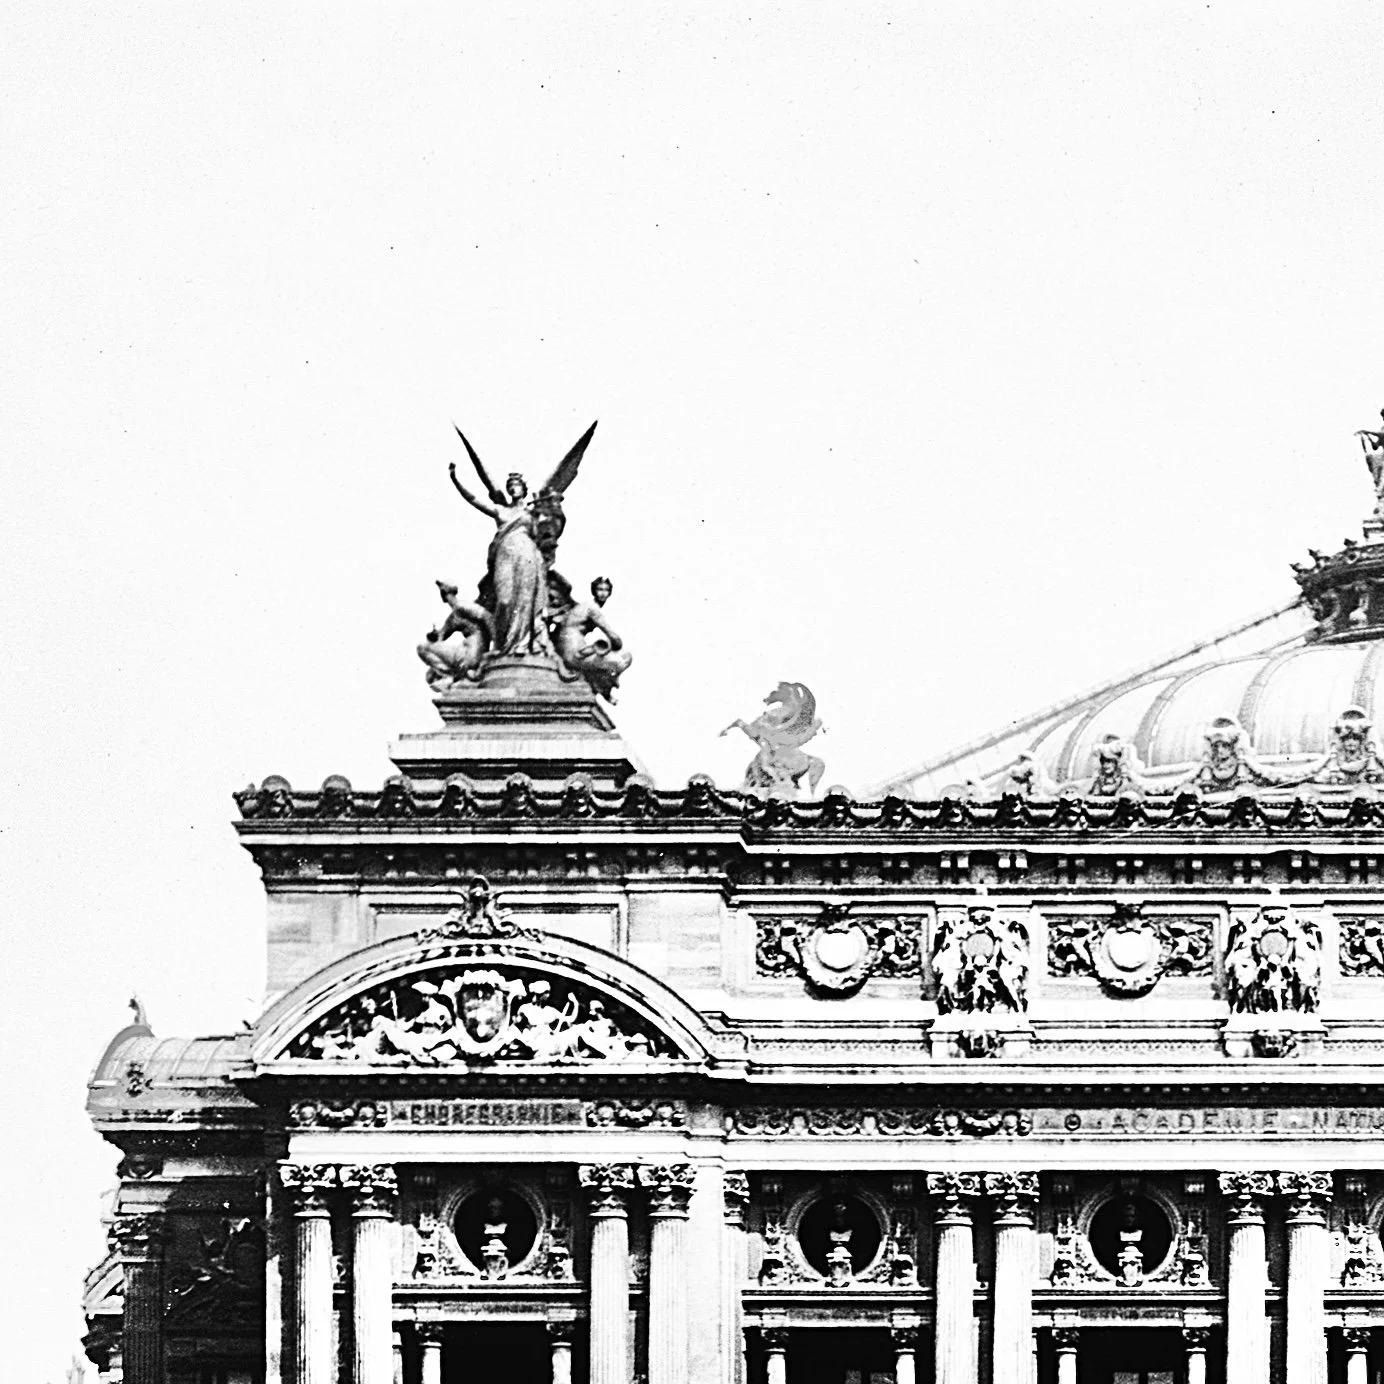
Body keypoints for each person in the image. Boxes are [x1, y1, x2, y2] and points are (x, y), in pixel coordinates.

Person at [447, 464, 552, 656]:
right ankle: (504, 644)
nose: (513, 488)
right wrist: (455, 480)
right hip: (504, 554)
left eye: (517, 484)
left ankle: (521, 644)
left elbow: (550, 528)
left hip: (527, 555)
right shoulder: (500, 511)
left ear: (523, 489)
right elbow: (473, 499)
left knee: (525, 599)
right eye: (510, 485)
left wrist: (544, 508)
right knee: (504, 600)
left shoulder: (531, 513)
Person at [551, 575, 633, 700]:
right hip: (572, 652)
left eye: (605, 590)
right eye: (599, 589)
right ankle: (603, 688)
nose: (603, 593)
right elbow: (615, 638)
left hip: (567, 648)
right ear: (594, 591)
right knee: (623, 658)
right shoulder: (592, 608)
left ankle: (601, 685)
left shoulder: (584, 606)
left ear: (609, 593)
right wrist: (612, 644)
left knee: (608, 659)